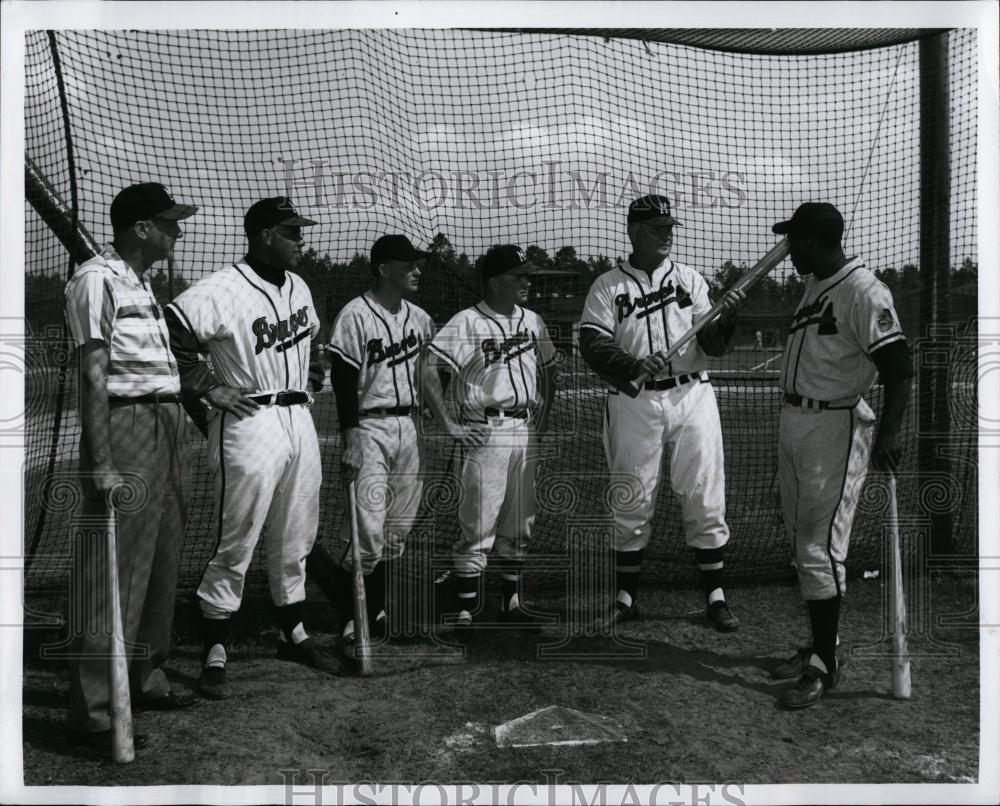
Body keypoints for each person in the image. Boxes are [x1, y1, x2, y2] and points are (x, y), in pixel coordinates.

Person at [164, 196, 335, 698]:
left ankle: (293, 631)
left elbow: (312, 339)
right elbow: (170, 330)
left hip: (297, 418)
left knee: (296, 532)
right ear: (264, 235)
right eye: (291, 232)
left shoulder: (300, 286)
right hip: (248, 419)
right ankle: (215, 644)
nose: (300, 240)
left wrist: (316, 367)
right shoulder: (221, 287)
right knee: (236, 536)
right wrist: (205, 384)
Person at [63, 182, 198, 753]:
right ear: (140, 228)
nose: (178, 231)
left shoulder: (143, 280)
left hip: (168, 422)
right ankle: (96, 711)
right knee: (112, 569)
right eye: (168, 223)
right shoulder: (95, 278)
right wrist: (101, 460)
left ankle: (143, 676)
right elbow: (92, 376)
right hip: (127, 422)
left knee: (163, 557)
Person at [579, 195, 745, 633]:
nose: (667, 233)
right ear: (633, 231)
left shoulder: (689, 279)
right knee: (631, 496)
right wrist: (632, 364)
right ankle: (626, 596)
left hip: (692, 395)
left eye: (669, 226)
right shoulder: (607, 286)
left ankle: (716, 597)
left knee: (704, 493)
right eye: (656, 228)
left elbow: (714, 344)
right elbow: (592, 344)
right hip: (635, 400)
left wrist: (728, 318)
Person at [769, 202, 912, 709]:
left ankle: (824, 668)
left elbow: (898, 369)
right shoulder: (813, 285)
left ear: (812, 242)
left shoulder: (864, 290)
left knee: (818, 547)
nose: (787, 250)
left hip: (834, 423)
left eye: (793, 241)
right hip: (795, 421)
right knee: (801, 540)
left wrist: (890, 434)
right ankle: (821, 645)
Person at [421, 245, 557, 639]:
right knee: (479, 520)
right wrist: (449, 424)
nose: (527, 281)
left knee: (520, 521)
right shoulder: (466, 322)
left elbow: (549, 372)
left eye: (527, 275)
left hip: (525, 429)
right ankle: (465, 610)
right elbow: (428, 369)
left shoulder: (533, 321)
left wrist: (542, 425)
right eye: (519, 275)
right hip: (487, 430)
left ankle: (511, 602)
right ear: (495, 280)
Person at [326, 234, 436, 654]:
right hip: (370, 428)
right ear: (384, 268)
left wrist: (430, 410)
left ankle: (377, 610)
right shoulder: (355, 316)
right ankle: (354, 617)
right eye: (408, 264)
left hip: (409, 427)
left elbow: (427, 371)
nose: (417, 270)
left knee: (397, 530)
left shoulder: (421, 319)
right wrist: (351, 437)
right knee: (367, 529)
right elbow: (343, 382)